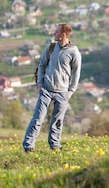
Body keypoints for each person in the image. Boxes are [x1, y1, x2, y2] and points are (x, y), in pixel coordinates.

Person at [23, 23, 82, 152]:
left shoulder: (74, 52)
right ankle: (28, 146)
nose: (54, 34)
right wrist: (40, 83)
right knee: (38, 118)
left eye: (56, 32)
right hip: (46, 90)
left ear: (63, 35)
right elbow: (42, 65)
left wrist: (70, 92)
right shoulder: (51, 48)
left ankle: (55, 146)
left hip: (63, 92)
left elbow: (76, 74)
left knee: (57, 121)